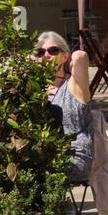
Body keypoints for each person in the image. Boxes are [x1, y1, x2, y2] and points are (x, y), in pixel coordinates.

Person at [39, 31, 93, 183]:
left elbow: (80, 56)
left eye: (53, 50)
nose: (46, 55)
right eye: (41, 52)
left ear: (64, 56)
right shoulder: (34, 89)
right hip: (43, 153)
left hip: (74, 154)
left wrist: (70, 57)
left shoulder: (74, 85)